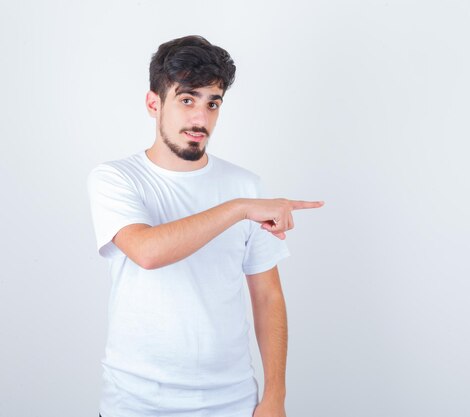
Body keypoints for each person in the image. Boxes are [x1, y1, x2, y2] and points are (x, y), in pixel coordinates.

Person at [87, 35, 324, 417]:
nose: (201, 118)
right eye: (187, 99)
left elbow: (268, 298)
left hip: (229, 402)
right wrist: (238, 208)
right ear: (154, 103)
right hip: (134, 403)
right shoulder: (116, 178)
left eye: (213, 103)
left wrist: (275, 397)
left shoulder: (245, 185)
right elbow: (147, 252)